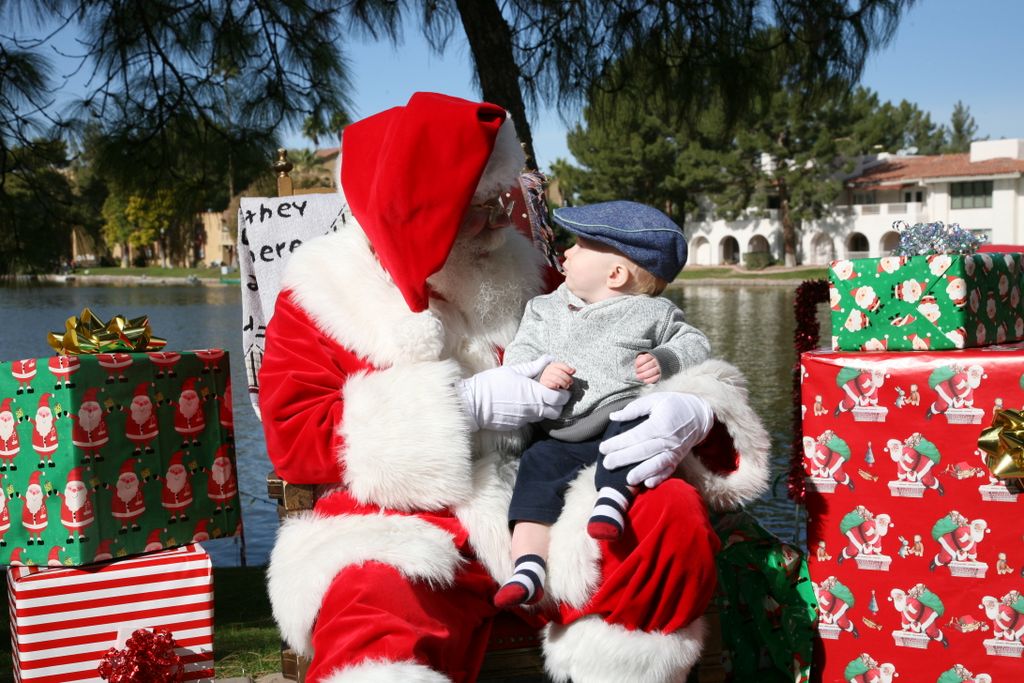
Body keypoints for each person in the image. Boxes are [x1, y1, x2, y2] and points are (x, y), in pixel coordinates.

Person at [259, 92, 770, 683]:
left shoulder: (535, 276)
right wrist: (461, 408)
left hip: (556, 499)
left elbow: (637, 335)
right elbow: (296, 437)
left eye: (504, 199)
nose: (505, 220)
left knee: (671, 512)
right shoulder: (321, 300)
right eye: (479, 206)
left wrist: (687, 404)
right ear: (419, 210)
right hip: (414, 522)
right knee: (369, 601)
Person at [494, 201, 713, 608]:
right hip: (560, 430)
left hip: (618, 413)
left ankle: (610, 502)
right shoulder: (545, 307)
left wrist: (665, 360)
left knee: (632, 433)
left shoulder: (654, 312)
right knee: (534, 472)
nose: (567, 252)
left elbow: (696, 343)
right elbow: (519, 349)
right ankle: (527, 565)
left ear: (615, 274)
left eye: (579, 245)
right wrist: (537, 372)